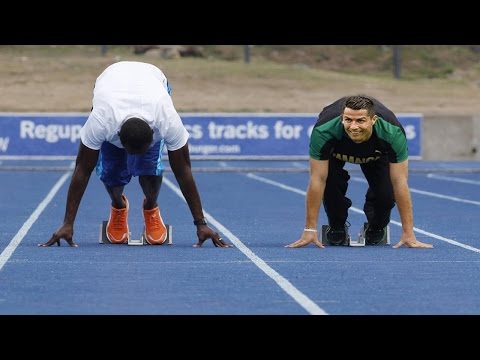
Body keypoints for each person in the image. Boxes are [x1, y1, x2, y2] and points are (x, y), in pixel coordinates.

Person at [39, 61, 232, 248]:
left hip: (153, 81)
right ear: (118, 138)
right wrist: (67, 223)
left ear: (153, 136)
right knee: (112, 173)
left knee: (149, 170)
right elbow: (82, 169)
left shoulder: (166, 118)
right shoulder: (102, 119)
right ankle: (118, 206)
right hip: (110, 81)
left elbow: (183, 169)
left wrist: (201, 223)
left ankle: (151, 207)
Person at [286, 95, 433, 249]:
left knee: (386, 196)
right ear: (342, 117)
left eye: (360, 120)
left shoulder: (392, 132)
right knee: (330, 185)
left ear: (373, 120)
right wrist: (309, 229)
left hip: (376, 155)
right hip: (335, 153)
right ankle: (336, 226)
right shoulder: (324, 130)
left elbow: (400, 182)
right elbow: (317, 179)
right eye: (348, 120)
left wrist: (408, 233)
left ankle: (376, 227)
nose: (353, 127)